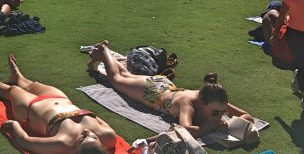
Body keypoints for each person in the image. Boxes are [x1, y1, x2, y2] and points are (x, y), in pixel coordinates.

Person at [88, 41, 253, 138]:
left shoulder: (213, 100)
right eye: (216, 112)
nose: (220, 115)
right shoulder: (188, 104)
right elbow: (185, 129)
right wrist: (210, 127)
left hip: (165, 85)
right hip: (152, 92)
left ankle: (105, 55)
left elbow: (248, 117)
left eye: (221, 112)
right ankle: (104, 51)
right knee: (117, 79)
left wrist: (230, 124)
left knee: (124, 74)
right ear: (202, 103)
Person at [0, 54, 115, 154]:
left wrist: (14, 125)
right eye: (93, 137)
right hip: (61, 99)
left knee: (12, 90)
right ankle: (18, 77)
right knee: (30, 85)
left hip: (31, 109)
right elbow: (98, 119)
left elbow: (25, 141)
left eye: (82, 139)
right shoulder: (108, 136)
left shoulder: (61, 144)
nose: (87, 132)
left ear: (75, 151)